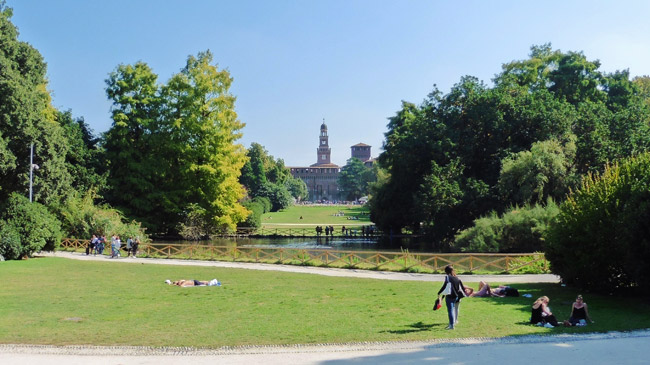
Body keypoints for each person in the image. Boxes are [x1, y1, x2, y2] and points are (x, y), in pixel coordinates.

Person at [437, 265, 467, 330]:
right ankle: (453, 322)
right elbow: (462, 287)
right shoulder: (457, 278)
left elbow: (445, 286)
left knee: (450, 310)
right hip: (456, 296)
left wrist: (439, 293)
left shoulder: (447, 277)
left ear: (446, 271)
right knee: (454, 309)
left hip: (450, 296)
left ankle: (451, 325)